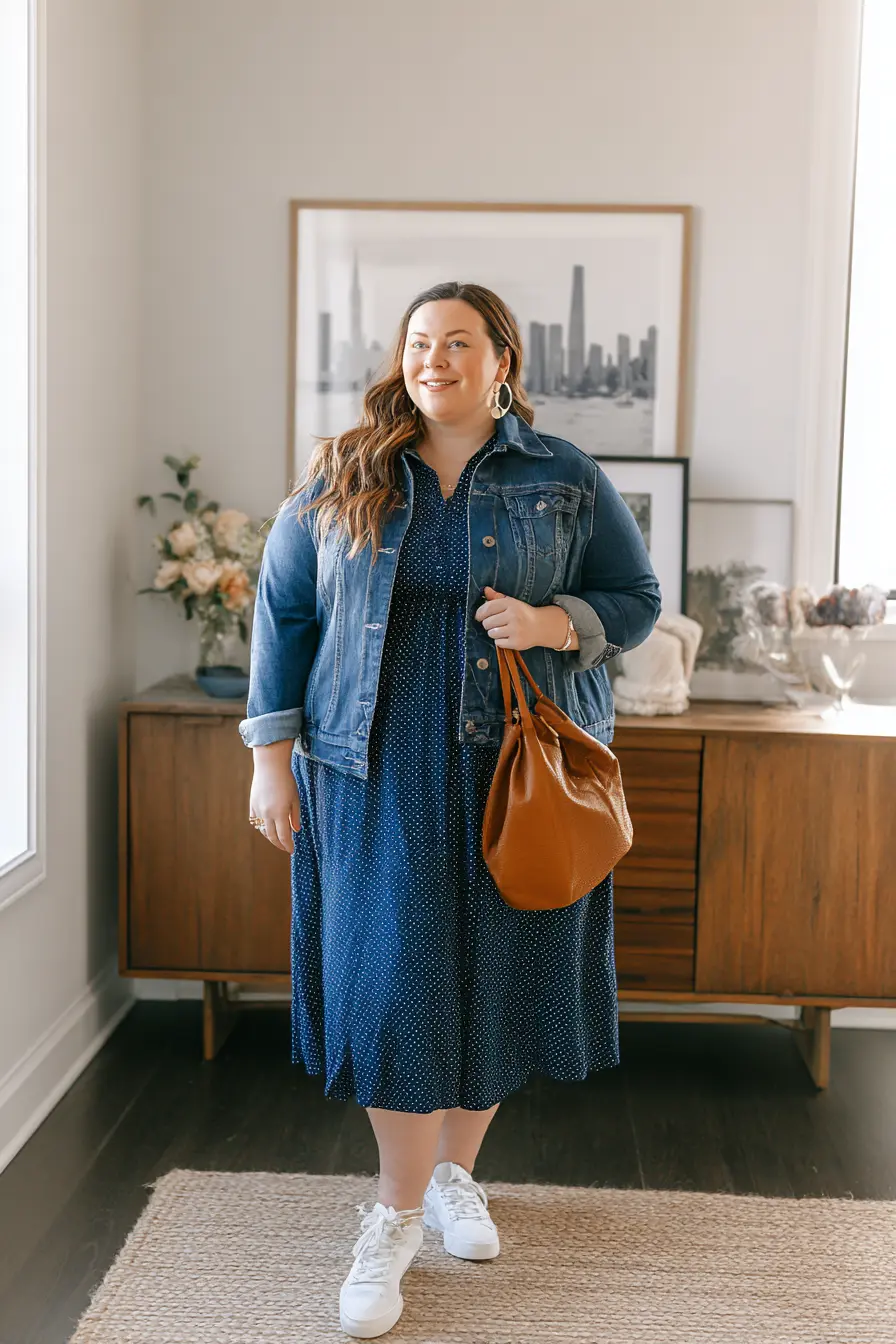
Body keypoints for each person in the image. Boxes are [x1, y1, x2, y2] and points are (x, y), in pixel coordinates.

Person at [238, 281, 661, 1338]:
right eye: (420, 342)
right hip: (370, 765)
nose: (435, 358)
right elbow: (284, 614)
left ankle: (451, 1178)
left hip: (516, 765)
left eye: (459, 342)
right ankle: (391, 1215)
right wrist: (269, 762)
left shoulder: (563, 474)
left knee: (496, 975)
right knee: (395, 981)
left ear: (501, 361)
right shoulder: (344, 470)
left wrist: (553, 622)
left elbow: (635, 599)